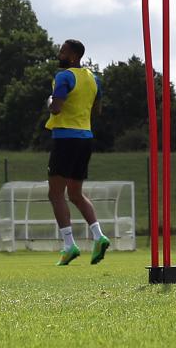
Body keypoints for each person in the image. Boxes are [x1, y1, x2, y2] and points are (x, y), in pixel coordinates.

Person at [46, 39, 110, 265]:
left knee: (55, 194)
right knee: (75, 194)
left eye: (63, 51)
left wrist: (50, 101)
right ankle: (99, 236)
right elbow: (97, 109)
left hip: (66, 139)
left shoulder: (64, 77)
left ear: (73, 56)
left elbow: (56, 108)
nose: (59, 54)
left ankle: (69, 245)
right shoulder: (94, 79)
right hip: (85, 138)